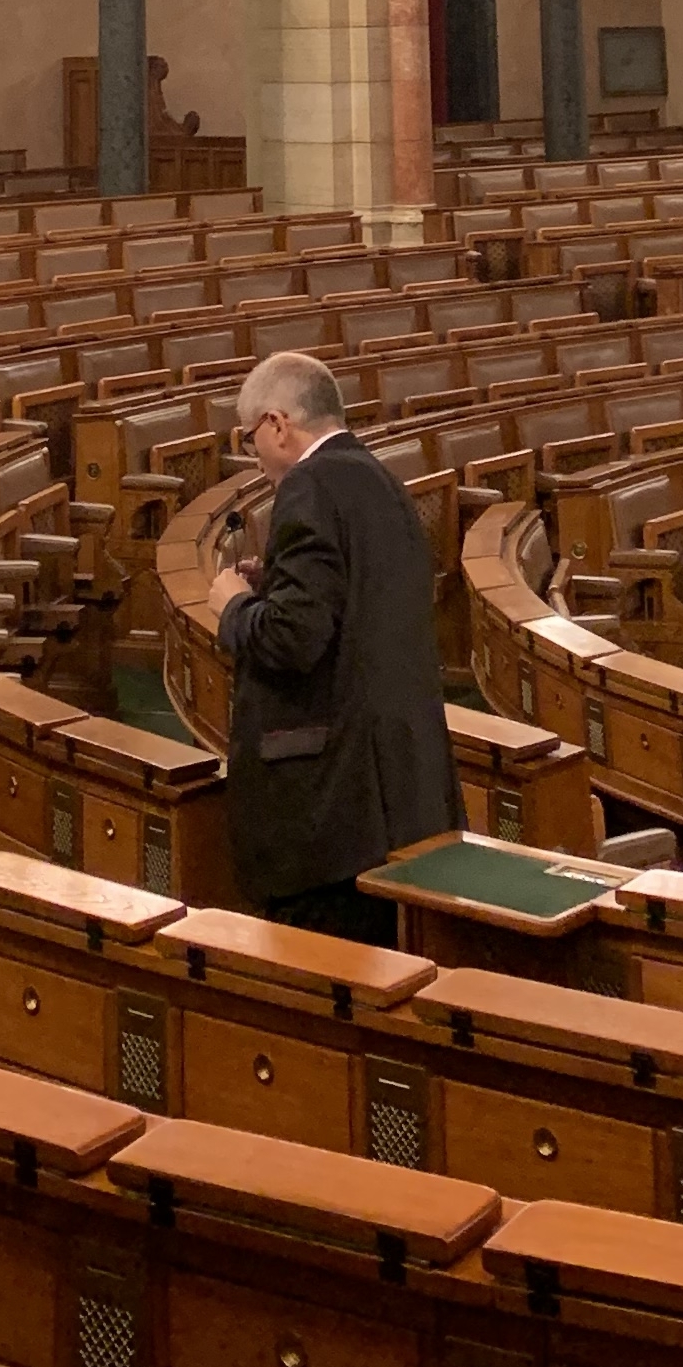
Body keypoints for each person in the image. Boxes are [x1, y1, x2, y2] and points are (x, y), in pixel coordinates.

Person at [206, 349, 461, 939]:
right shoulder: (384, 484)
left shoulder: (309, 486)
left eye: (251, 439)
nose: (254, 457)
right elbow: (359, 607)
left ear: (277, 424)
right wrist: (275, 584)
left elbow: (292, 640)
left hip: (333, 810)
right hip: (402, 793)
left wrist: (236, 606)